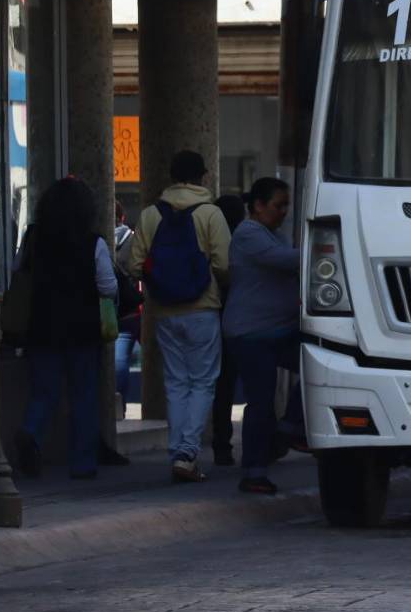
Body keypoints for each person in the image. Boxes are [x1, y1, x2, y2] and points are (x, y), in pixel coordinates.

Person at [124, 150, 231, 483]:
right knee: (203, 381)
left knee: (176, 382)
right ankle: (187, 452)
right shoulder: (211, 214)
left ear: (170, 177)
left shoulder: (151, 215)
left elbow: (133, 265)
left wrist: (160, 281)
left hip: (164, 311)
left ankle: (177, 452)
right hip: (203, 309)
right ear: (202, 176)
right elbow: (225, 265)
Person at [14, 177, 119, 480]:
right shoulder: (93, 242)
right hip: (82, 329)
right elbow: (108, 286)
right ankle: (82, 462)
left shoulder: (34, 237)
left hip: (42, 326)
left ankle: (31, 431)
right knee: (84, 395)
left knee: (43, 392)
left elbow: (18, 271)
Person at [224, 176, 307, 495]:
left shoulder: (275, 235)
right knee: (260, 402)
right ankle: (254, 471)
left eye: (286, 206)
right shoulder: (248, 234)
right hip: (251, 334)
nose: (283, 212)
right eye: (278, 205)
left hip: (280, 329)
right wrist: (324, 249)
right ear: (258, 206)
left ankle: (287, 430)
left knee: (317, 365)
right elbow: (286, 261)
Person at [211, 193, 247, 468]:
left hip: (216, 315)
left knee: (222, 386)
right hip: (247, 321)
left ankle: (221, 444)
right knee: (258, 384)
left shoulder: (212, 240)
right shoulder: (246, 241)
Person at [112, 201, 142, 412]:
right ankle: (118, 405)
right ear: (122, 217)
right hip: (127, 310)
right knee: (120, 360)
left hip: (97, 310)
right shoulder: (132, 239)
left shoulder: (94, 240)